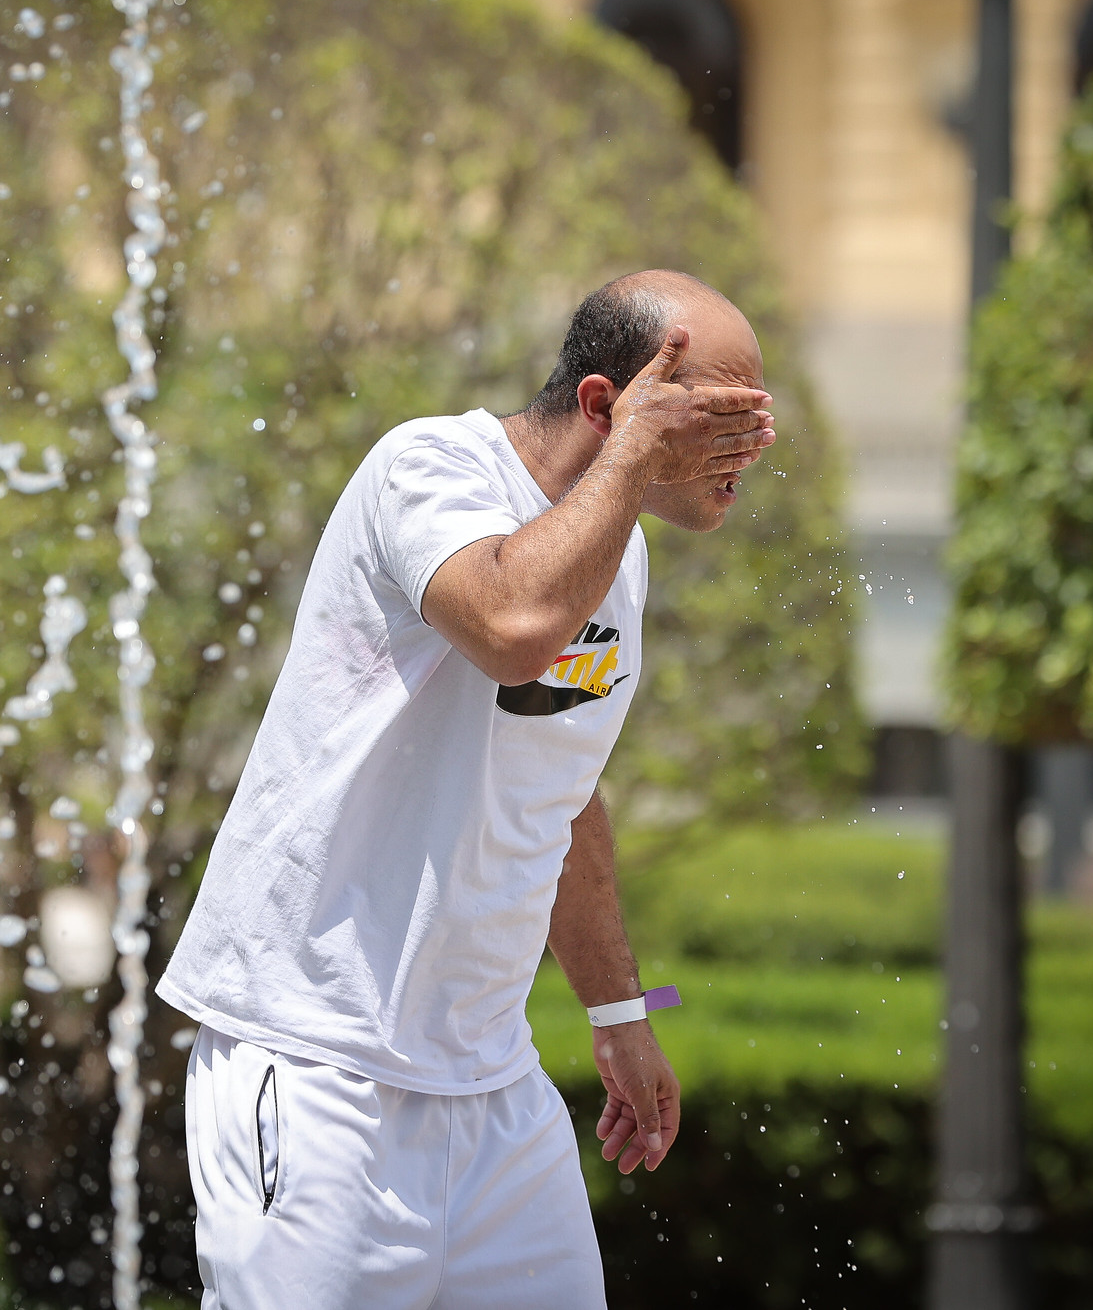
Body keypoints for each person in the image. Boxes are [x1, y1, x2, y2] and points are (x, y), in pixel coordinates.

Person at [156, 270, 775, 1308]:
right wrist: (630, 456)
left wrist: (619, 1010)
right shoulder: (428, 466)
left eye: (759, 420)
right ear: (600, 405)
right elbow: (508, 628)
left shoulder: (612, 555)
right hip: (316, 1064)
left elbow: (560, 786)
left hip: (491, 1087)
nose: (751, 447)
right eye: (718, 415)